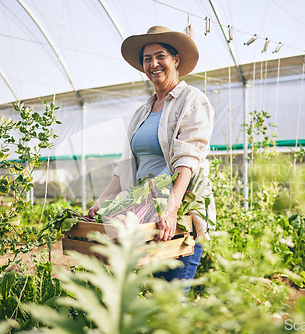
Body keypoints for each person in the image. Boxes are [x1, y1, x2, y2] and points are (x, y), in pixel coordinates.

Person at [88, 26, 215, 284]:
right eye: (147, 59)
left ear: (175, 60)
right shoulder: (142, 112)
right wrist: (101, 203)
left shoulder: (192, 100)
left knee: (173, 299)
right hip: (147, 217)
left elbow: (187, 162)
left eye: (160, 56)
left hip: (177, 219)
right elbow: (127, 167)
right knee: (156, 299)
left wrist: (171, 208)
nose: (153, 64)